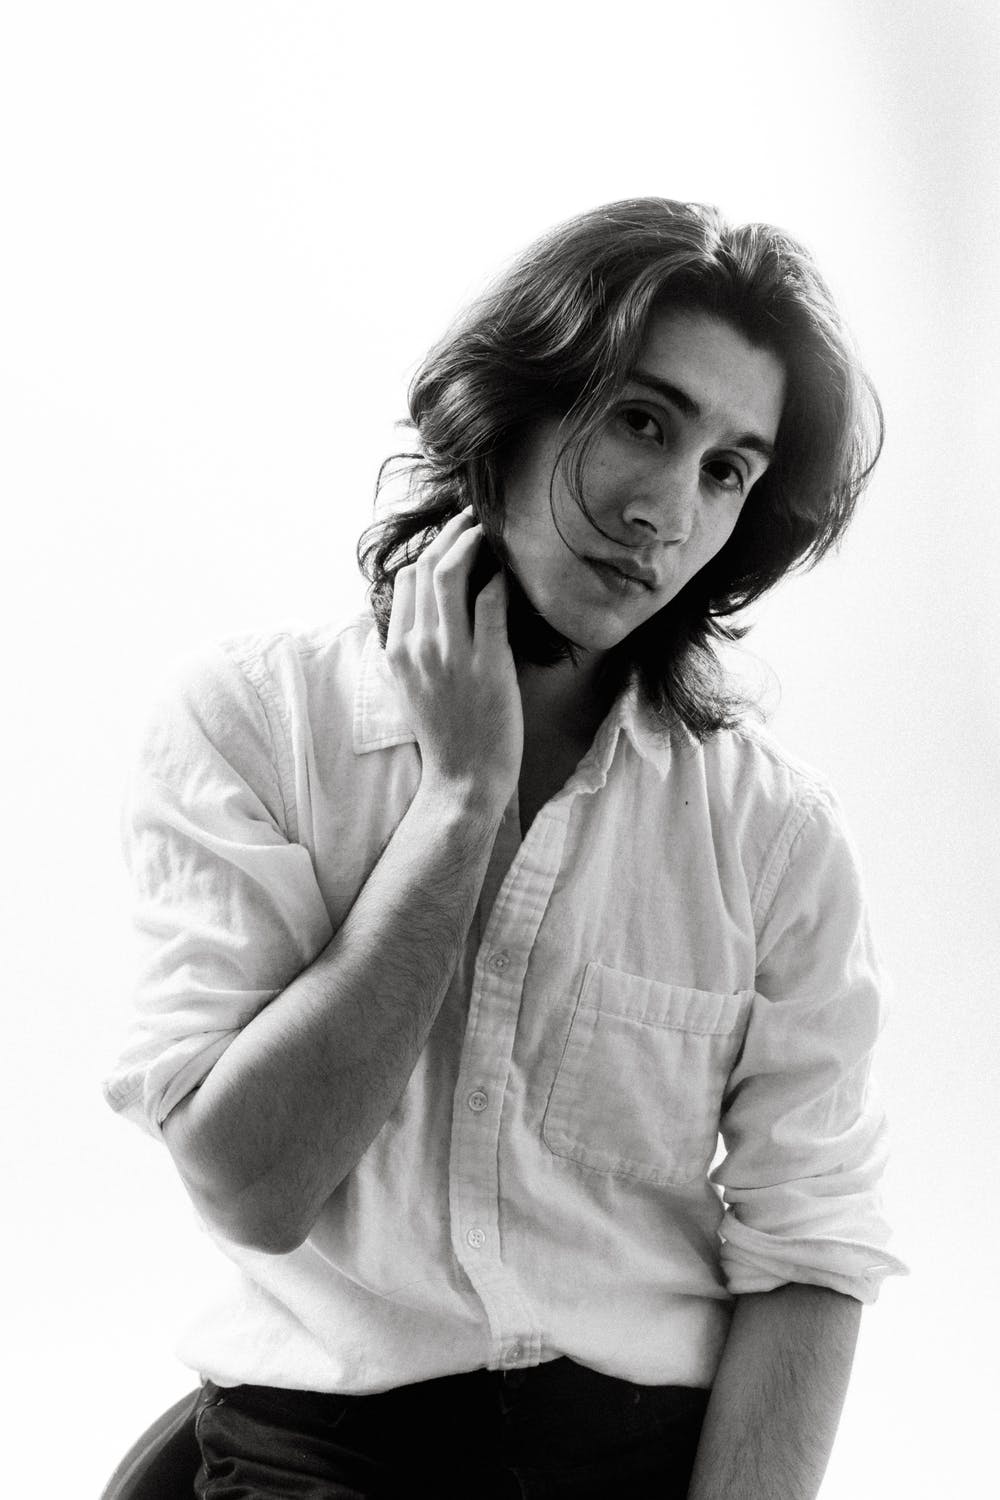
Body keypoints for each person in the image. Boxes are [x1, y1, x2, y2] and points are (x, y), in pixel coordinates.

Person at [103, 196, 907, 1498]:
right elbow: (255, 1187)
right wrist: (460, 804)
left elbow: (810, 1249)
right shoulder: (257, 724)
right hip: (317, 1455)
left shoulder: (774, 836)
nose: (666, 512)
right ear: (514, 406)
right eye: (642, 420)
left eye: (728, 470)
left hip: (634, 1461)